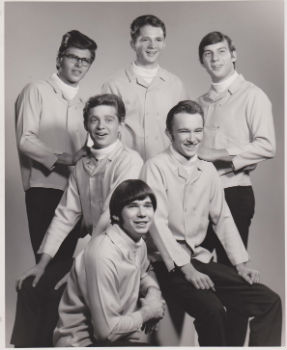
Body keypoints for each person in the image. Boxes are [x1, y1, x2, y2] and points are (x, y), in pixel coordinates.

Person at [140, 100, 281, 346]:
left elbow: (223, 218)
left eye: (198, 130)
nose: (193, 138)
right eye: (184, 131)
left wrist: (241, 264)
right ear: (169, 133)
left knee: (269, 301)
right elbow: (156, 223)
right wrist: (188, 270)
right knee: (213, 310)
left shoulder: (208, 171)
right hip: (167, 265)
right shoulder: (155, 167)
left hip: (200, 260)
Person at [12, 93, 143, 347]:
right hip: (95, 255)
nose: (101, 126)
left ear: (121, 124)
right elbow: (65, 213)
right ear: (86, 125)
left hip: (121, 258)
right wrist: (43, 262)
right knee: (31, 286)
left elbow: (108, 217)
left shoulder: (130, 161)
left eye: (109, 119)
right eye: (94, 120)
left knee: (62, 292)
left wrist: (79, 268)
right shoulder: (82, 164)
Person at [12, 29, 97, 347]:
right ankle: (30, 342)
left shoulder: (85, 105)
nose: (79, 64)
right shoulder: (36, 90)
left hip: (75, 196)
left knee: (63, 273)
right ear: (60, 58)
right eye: (74, 57)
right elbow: (26, 140)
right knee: (48, 271)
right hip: (45, 191)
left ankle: (44, 340)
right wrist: (65, 158)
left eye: (85, 60)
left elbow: (87, 157)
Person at [197, 31, 276, 345]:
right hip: (199, 197)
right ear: (202, 61)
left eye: (221, 51)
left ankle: (232, 345)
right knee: (198, 272)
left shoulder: (252, 95)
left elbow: (267, 145)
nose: (215, 58)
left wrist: (221, 155)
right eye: (208, 54)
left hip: (233, 194)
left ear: (234, 54)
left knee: (233, 274)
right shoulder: (200, 102)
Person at [54, 179, 165, 347]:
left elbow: (143, 275)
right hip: (81, 344)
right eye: (133, 206)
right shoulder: (103, 254)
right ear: (115, 215)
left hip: (116, 338)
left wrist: (153, 294)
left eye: (148, 205)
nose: (142, 213)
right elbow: (106, 333)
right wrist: (147, 313)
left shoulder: (137, 242)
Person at [102, 14, 187, 161]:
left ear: (164, 44)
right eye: (145, 39)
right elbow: (104, 132)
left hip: (166, 169)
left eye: (158, 40)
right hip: (125, 168)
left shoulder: (175, 84)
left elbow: (185, 129)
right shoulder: (114, 84)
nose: (152, 46)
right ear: (133, 43)